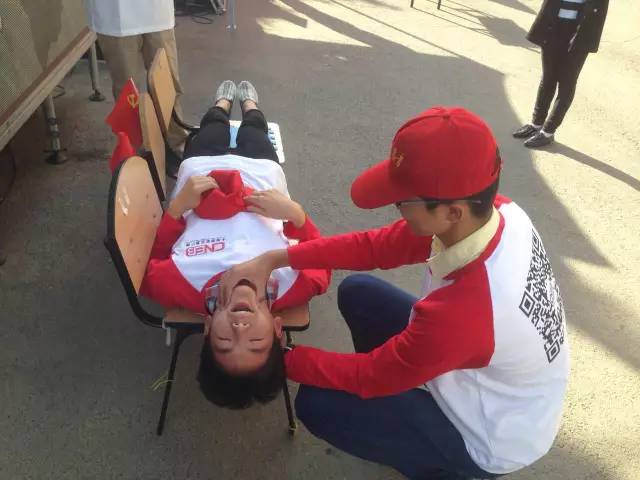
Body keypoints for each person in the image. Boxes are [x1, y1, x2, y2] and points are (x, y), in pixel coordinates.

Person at [221, 107, 569, 479]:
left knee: (317, 403)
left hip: (490, 434)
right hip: (486, 371)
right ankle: (394, 412)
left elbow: (373, 375)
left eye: (404, 201)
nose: (396, 208)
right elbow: (375, 247)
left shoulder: (464, 313)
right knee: (358, 293)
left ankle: (441, 468)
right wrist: (274, 258)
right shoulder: (496, 212)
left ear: (452, 212)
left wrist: (275, 357)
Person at [140, 81, 330, 409]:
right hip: (260, 174)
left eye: (225, 340)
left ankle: (222, 104)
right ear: (277, 328)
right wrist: (295, 215)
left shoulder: (177, 285)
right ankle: (251, 106)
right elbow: (323, 255)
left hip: (202, 173)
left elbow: (152, 261)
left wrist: (177, 208)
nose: (240, 328)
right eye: (255, 341)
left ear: (208, 327)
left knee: (211, 131)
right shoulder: (295, 285)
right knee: (254, 134)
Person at [84, 0, 188, 154]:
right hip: (115, 15)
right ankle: (133, 152)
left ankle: (177, 142)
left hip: (157, 12)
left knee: (167, 82)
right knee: (127, 92)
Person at [513, 0, 608, 148]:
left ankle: (548, 132)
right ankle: (536, 124)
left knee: (567, 83)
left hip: (581, 32)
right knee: (548, 78)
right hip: (553, 25)